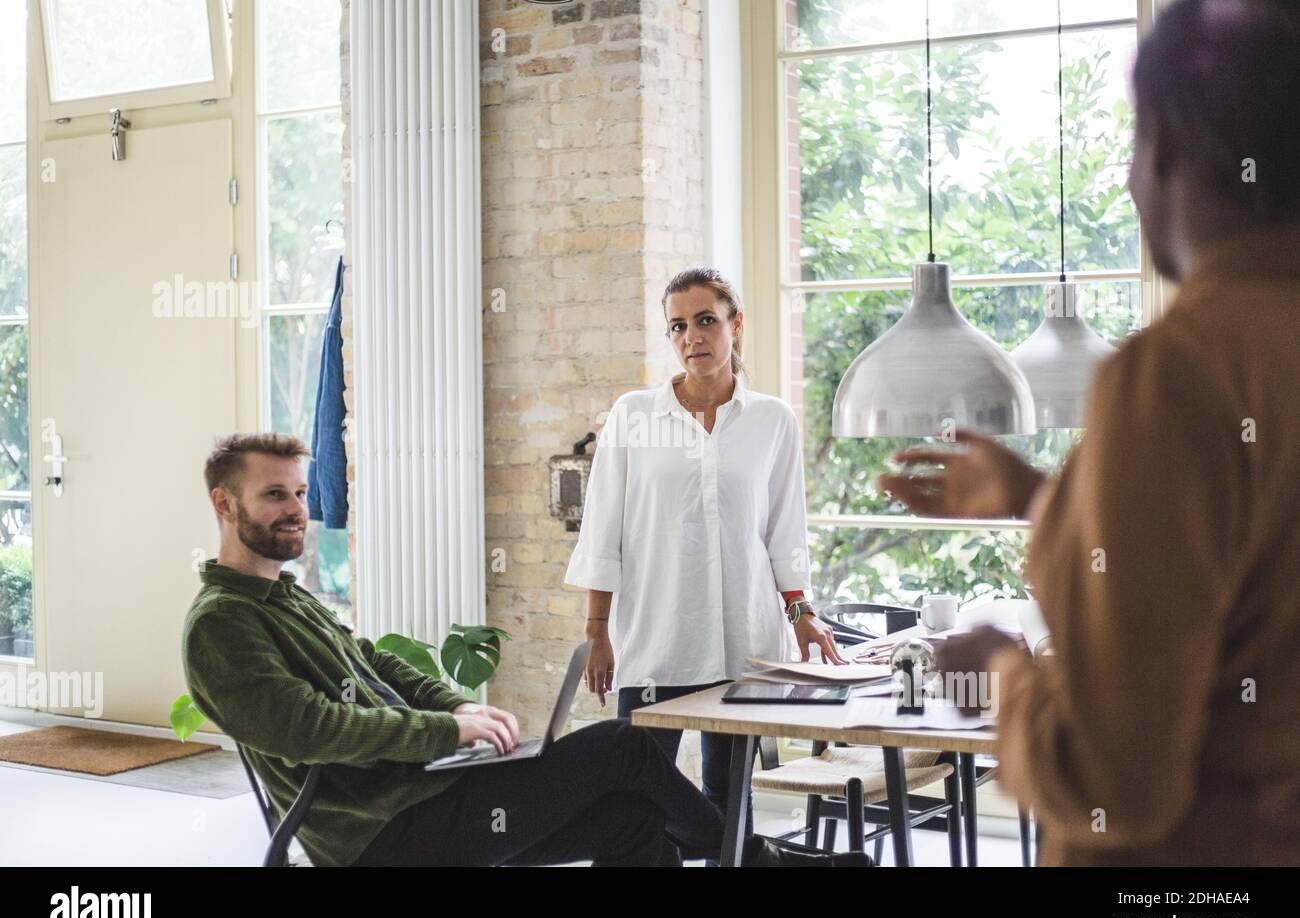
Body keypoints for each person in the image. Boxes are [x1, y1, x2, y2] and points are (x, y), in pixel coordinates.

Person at [879, 0, 1300, 865]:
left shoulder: (1180, 371)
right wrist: (1047, 496)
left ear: (1170, 149)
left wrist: (998, 671)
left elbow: (1113, 780)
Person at [183, 433, 867, 866]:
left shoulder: (287, 596)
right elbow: (311, 729)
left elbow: (380, 666)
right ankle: (755, 861)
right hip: (383, 833)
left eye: (300, 492)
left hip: (432, 791)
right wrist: (446, 730)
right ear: (224, 503)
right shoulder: (222, 624)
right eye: (275, 494)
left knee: (631, 820)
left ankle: (746, 858)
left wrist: (457, 705)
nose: (297, 508)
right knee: (626, 746)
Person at [565, 267, 846, 829]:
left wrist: (802, 613)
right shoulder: (633, 417)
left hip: (743, 641)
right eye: (678, 326)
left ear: (735, 325)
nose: (692, 336)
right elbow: (603, 528)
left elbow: (783, 532)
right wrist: (598, 631)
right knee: (636, 801)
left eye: (706, 321)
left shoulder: (772, 420)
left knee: (727, 800)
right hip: (656, 639)